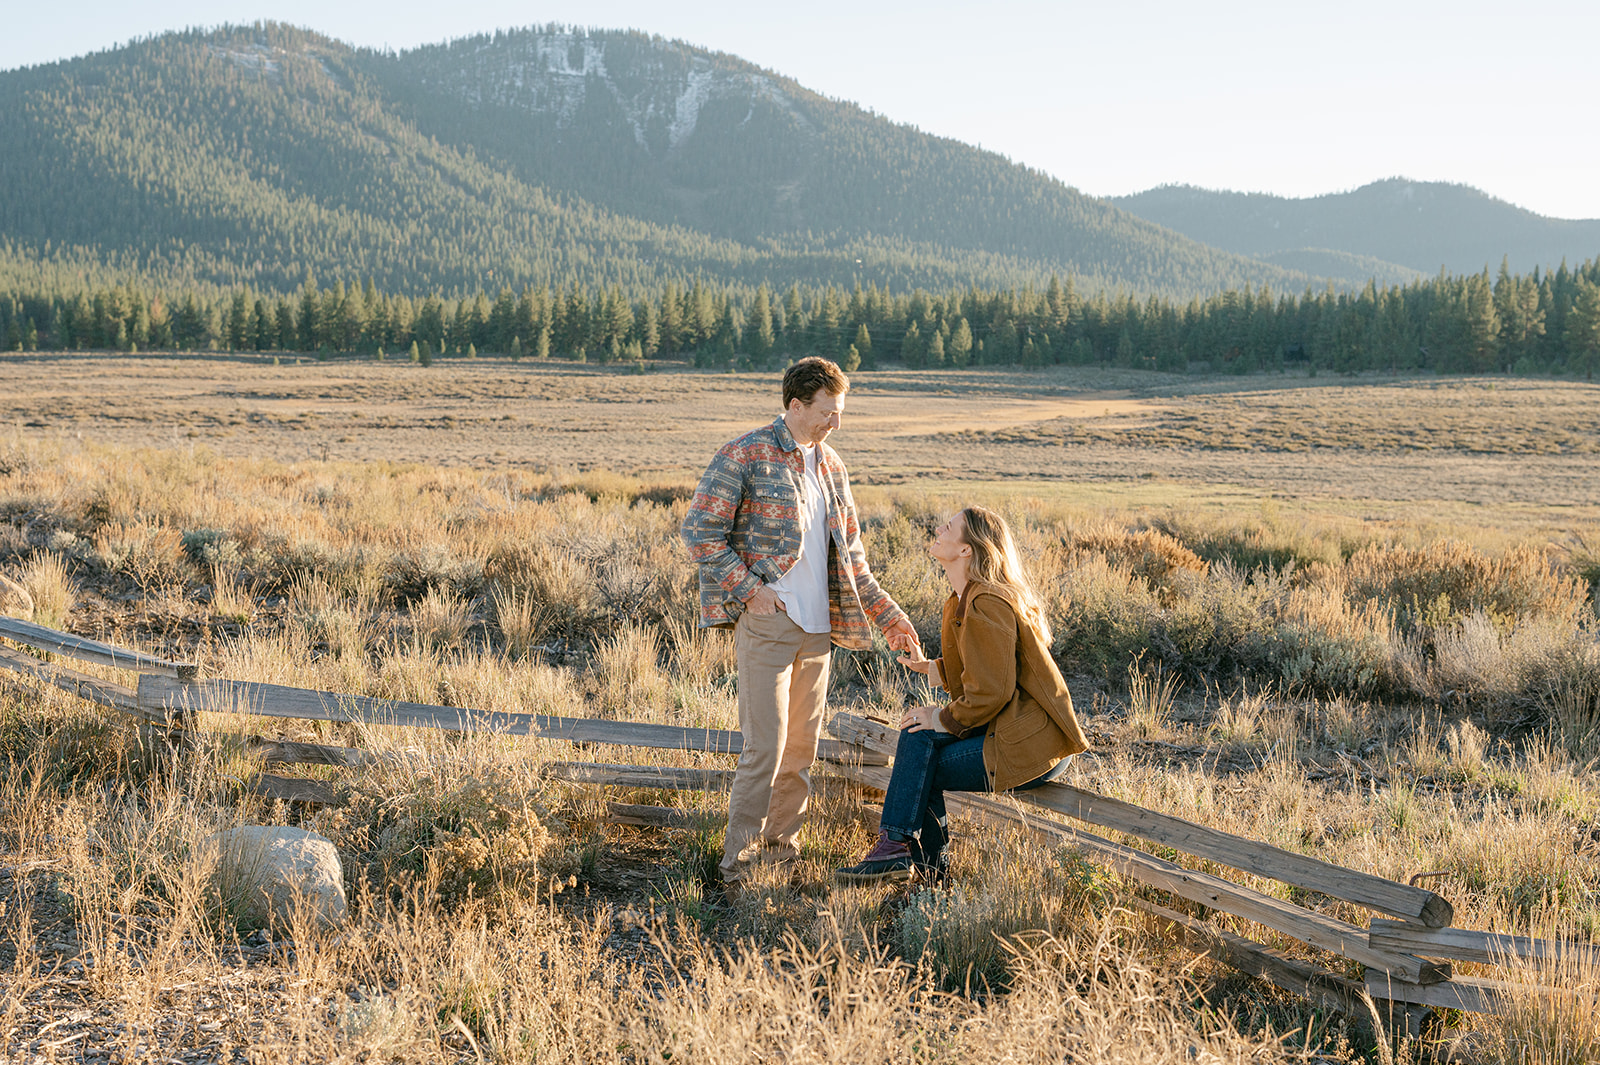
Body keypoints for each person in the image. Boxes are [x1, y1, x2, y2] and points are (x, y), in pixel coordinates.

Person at [682, 357, 920, 888]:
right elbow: (699, 531)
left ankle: (781, 855)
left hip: (818, 632)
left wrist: (891, 619)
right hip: (768, 624)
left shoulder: (832, 466)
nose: (836, 423)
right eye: (827, 412)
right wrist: (752, 592)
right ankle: (736, 867)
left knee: (799, 753)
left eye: (840, 412)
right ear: (795, 405)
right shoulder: (746, 452)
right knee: (763, 748)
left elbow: (854, 559)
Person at [836, 505, 1089, 884]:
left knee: (920, 753)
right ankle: (919, 870)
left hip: (1030, 744)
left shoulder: (987, 601)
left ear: (967, 549)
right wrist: (929, 667)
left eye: (949, 527)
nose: (938, 528)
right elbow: (989, 667)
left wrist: (942, 718)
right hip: (1009, 733)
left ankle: (905, 856)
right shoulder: (962, 599)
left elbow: (993, 690)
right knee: (918, 749)